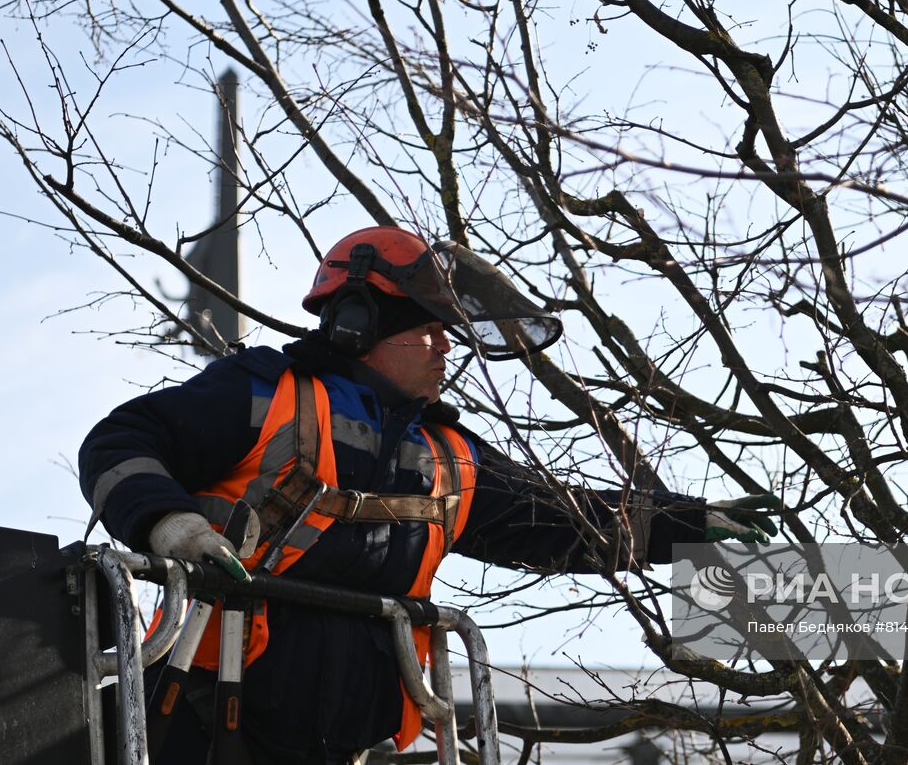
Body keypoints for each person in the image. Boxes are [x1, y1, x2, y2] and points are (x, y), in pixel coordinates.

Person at [78, 226, 780, 764]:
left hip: (348, 745)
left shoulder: (448, 456)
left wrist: (686, 524)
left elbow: (558, 519)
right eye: (428, 329)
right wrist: (170, 526)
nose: (446, 347)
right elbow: (121, 442)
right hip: (203, 727)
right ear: (359, 323)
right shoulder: (265, 394)